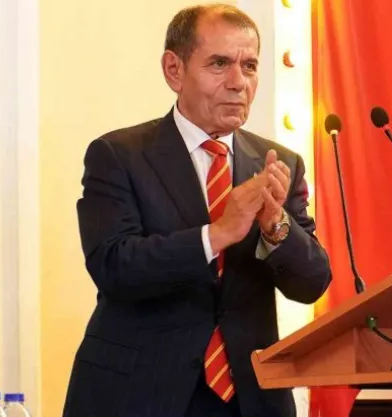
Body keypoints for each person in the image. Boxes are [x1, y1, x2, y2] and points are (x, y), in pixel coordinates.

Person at [62, 4, 332, 417]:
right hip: (140, 394)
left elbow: (311, 284)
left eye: (249, 66)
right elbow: (114, 267)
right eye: (219, 64)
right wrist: (217, 234)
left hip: (248, 399)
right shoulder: (118, 155)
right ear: (174, 69)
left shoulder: (281, 163)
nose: (238, 82)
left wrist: (275, 225)